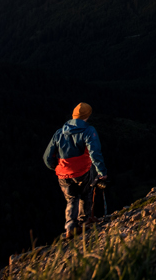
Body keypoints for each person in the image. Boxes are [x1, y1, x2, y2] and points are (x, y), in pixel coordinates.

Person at [42, 102, 109, 239]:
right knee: (85, 194)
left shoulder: (59, 133)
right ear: (87, 115)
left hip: (63, 173)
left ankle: (70, 227)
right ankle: (84, 222)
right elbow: (94, 153)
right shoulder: (89, 131)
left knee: (71, 198)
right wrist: (102, 172)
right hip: (82, 171)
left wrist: (56, 167)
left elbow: (47, 157)